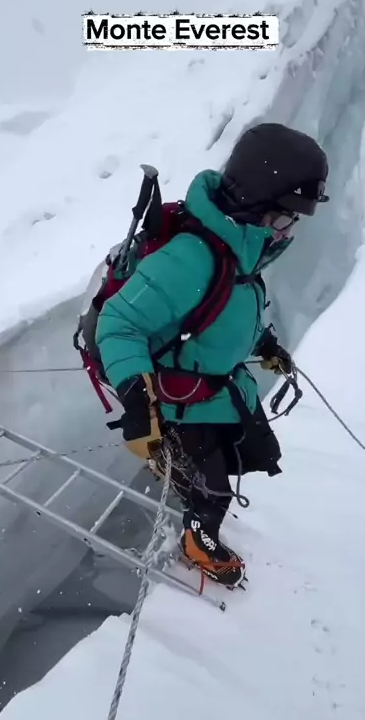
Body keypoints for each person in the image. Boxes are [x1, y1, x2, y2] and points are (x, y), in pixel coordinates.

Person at [96, 122, 329, 588]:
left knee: (239, 458)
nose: (288, 231)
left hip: (214, 393)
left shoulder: (238, 254)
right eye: (285, 218)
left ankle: (194, 505)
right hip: (177, 399)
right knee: (211, 489)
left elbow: (225, 313)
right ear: (257, 205)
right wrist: (139, 405)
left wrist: (263, 345)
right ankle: (197, 541)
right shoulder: (191, 258)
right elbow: (119, 324)